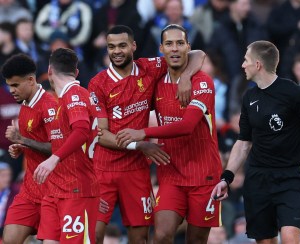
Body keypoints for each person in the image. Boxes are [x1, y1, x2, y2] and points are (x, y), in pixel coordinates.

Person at [88, 25, 205, 243]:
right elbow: (101, 134)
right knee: (93, 233)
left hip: (136, 171)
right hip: (104, 169)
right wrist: (139, 145)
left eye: (122, 45)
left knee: (140, 237)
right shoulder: (98, 83)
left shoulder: (149, 68)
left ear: (133, 46)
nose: (117, 51)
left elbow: (197, 54)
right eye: (111, 47)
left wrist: (187, 76)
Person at [115, 24, 222, 243]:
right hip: (171, 175)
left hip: (204, 177)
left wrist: (142, 132)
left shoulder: (202, 82)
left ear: (187, 47)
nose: (175, 48)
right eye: (169, 44)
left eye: (180, 43)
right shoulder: (155, 81)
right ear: (161, 49)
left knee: (196, 240)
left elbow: (186, 126)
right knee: (162, 235)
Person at [211, 40, 300, 243]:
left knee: (289, 236)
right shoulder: (249, 97)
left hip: (289, 178)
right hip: (258, 180)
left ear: (258, 64)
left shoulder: (294, 93)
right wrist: (227, 177)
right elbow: (243, 142)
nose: (243, 65)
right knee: (266, 241)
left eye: (246, 60)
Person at [33, 48, 100, 243]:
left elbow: (81, 131)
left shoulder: (75, 94)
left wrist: (53, 159)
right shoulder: (63, 100)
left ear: (49, 71)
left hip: (77, 190)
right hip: (56, 189)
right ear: (76, 72)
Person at [2, 53, 57, 243]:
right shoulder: (25, 105)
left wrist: (23, 140)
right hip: (29, 191)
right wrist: (20, 146)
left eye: (15, 85)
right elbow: (34, 141)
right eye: (9, 85)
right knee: (9, 240)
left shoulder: (50, 106)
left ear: (31, 80)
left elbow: (59, 149)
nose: (11, 90)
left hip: (54, 191)